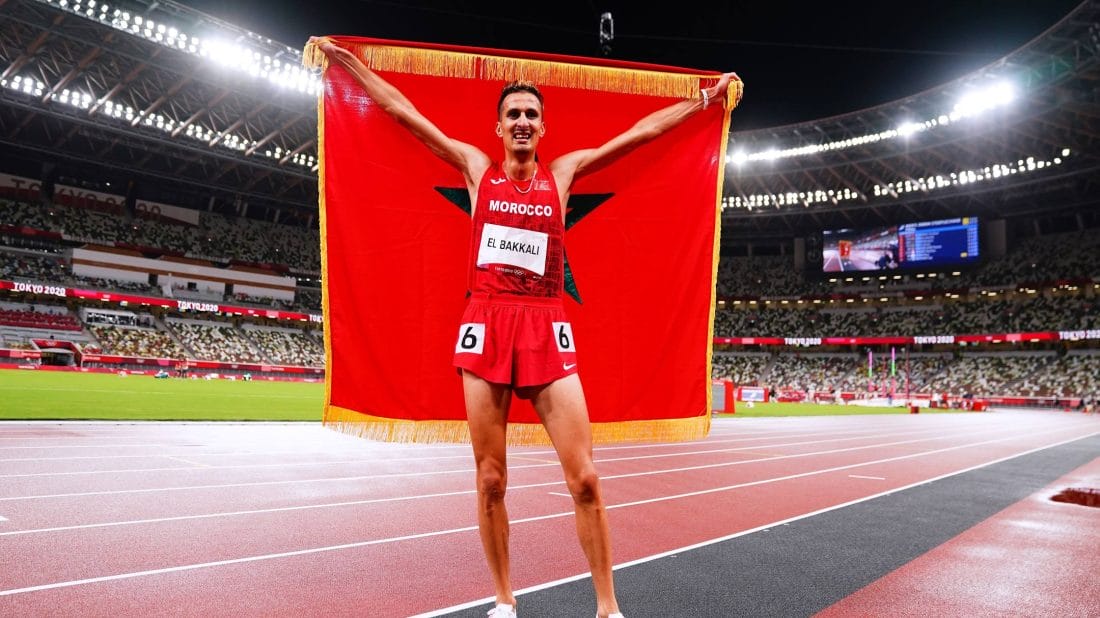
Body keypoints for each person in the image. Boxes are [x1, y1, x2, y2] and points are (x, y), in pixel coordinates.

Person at [313, 37, 737, 618]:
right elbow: (402, 113)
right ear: (497, 127)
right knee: (490, 480)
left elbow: (638, 135)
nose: (521, 121)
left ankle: (608, 608)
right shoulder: (474, 168)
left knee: (585, 477)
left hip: (545, 322)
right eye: (512, 113)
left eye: (531, 114)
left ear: (543, 127)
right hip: (486, 321)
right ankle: (505, 601)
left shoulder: (562, 175)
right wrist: (347, 64)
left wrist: (702, 102)